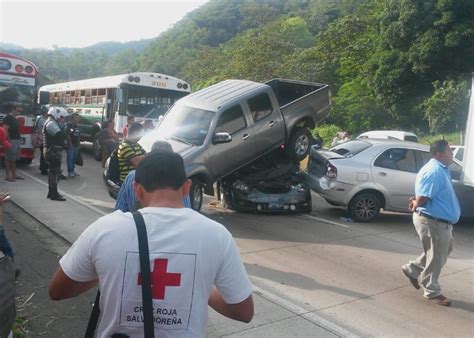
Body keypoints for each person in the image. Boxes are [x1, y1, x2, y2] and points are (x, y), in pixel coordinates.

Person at [49, 149, 254, 337]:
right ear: (186, 188)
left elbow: (57, 291)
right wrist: (201, 287)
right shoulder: (216, 235)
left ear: (137, 190)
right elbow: (243, 311)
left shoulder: (104, 229)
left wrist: (105, 274)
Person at [402, 140, 460, 306]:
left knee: (444, 249)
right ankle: (432, 290)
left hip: (440, 221)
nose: (452, 154)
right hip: (433, 221)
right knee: (437, 255)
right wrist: (416, 202)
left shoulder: (441, 168)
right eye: (450, 151)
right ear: (439, 154)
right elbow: (424, 195)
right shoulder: (434, 170)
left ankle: (412, 269)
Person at [115, 141, 191, 212]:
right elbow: (187, 210)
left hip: (138, 223)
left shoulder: (133, 176)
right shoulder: (180, 181)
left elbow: (120, 210)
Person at [43, 107, 67, 201]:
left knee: (54, 172)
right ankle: (53, 193)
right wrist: (65, 130)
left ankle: (52, 192)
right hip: (52, 151)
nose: (62, 119)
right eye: (61, 117)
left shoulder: (51, 122)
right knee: (55, 173)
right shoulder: (51, 124)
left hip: (52, 150)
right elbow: (60, 135)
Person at [3, 105, 24, 182]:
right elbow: (5, 130)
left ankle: (14, 175)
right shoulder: (8, 118)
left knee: (14, 158)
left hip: (16, 139)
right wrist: (7, 140)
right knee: (9, 158)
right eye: (17, 111)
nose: (18, 113)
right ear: (12, 110)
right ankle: (8, 176)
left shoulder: (15, 118)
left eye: (20, 111)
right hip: (11, 140)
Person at [34, 106, 49, 175]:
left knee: (43, 154)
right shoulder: (42, 119)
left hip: (40, 137)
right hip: (42, 138)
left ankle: (43, 168)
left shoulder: (38, 117)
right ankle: (43, 169)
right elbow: (44, 128)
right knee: (44, 154)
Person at [66, 113, 81, 178]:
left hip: (76, 145)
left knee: (74, 158)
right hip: (71, 145)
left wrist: (79, 143)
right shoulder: (69, 125)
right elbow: (68, 135)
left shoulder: (77, 126)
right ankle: (70, 172)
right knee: (70, 158)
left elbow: (78, 135)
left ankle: (73, 170)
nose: (78, 119)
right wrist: (70, 143)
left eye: (78, 117)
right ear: (73, 118)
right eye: (76, 117)